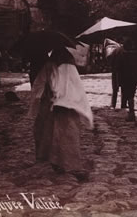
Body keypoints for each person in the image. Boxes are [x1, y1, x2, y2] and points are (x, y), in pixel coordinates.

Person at [28, 47, 93, 181]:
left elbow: (39, 85)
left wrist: (46, 96)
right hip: (68, 105)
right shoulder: (69, 66)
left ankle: (58, 162)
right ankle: (69, 165)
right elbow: (76, 87)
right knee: (67, 135)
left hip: (55, 104)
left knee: (53, 133)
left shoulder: (50, 65)